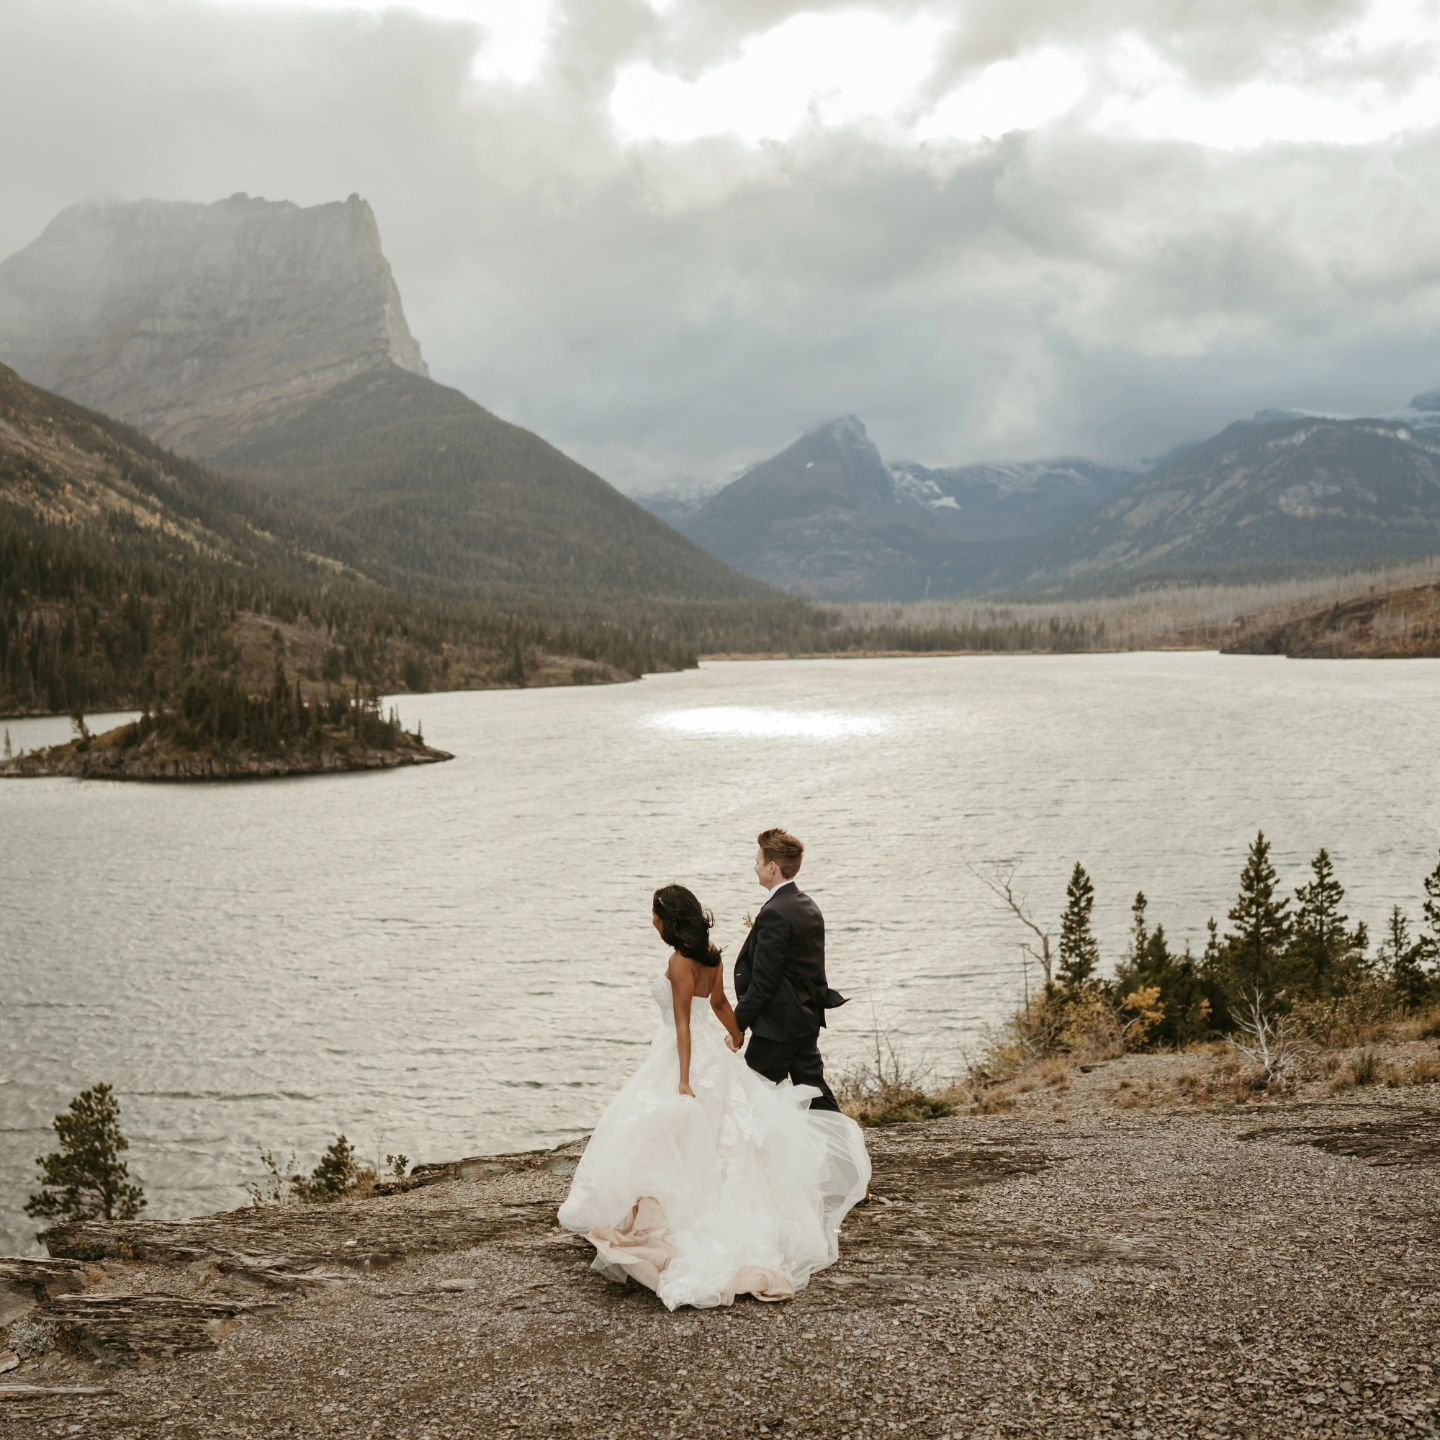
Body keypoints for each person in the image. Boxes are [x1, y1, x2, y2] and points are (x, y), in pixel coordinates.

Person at [557, 882, 870, 1310]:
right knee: (723, 1134)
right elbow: (720, 1003)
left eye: (655, 914)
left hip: (682, 1055)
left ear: (669, 920)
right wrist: (736, 1032)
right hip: (709, 1054)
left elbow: (684, 1025)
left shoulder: (679, 962)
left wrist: (685, 1080)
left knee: (664, 1129)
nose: (652, 922)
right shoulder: (712, 956)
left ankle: (657, 1210)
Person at [732, 828, 845, 1111]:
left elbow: (763, 981)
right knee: (815, 1092)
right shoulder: (808, 905)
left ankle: (761, 1155)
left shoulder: (775, 912)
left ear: (772, 867)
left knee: (752, 1096)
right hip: (805, 1018)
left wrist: (737, 1025)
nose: (755, 867)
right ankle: (843, 1151)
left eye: (757, 861)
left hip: (778, 1025)